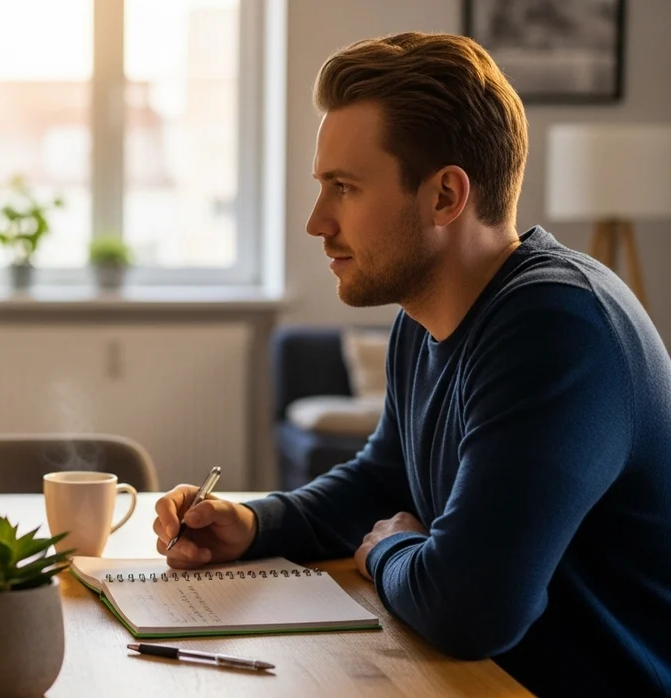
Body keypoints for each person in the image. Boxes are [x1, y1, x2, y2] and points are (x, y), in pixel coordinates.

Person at [153, 32, 671, 696]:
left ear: (445, 198)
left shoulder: (558, 327)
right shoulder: (422, 319)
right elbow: (383, 479)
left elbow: (469, 609)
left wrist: (387, 551)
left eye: (344, 188)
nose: (317, 222)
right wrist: (255, 524)